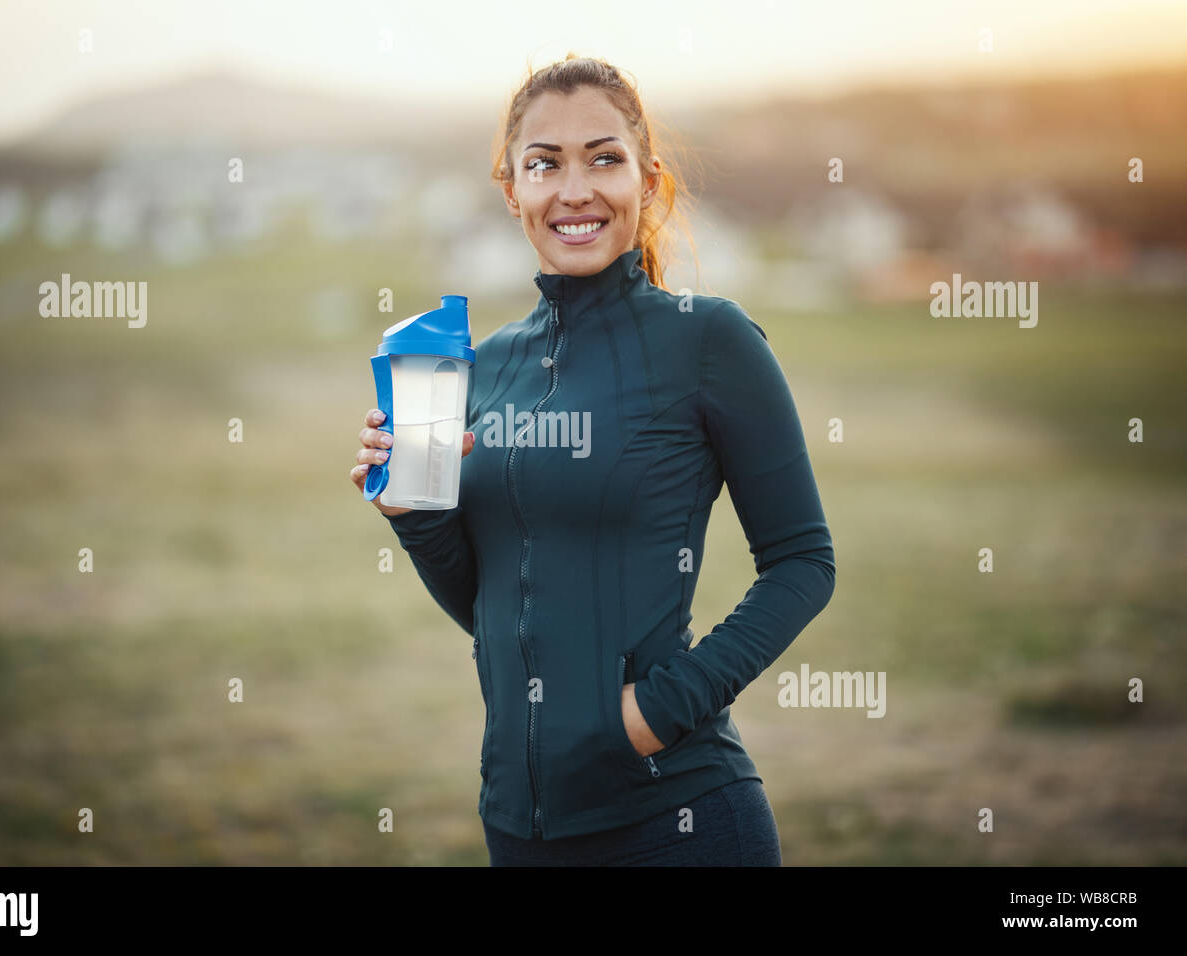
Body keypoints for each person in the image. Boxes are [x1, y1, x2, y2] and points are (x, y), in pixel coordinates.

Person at [350, 54, 835, 866]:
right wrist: (411, 516)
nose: (574, 190)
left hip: (677, 817)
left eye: (603, 158)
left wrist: (652, 713)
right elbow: (490, 603)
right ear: (512, 189)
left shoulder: (707, 339)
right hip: (518, 824)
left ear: (647, 180)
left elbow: (802, 563)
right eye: (544, 164)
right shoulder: (487, 366)